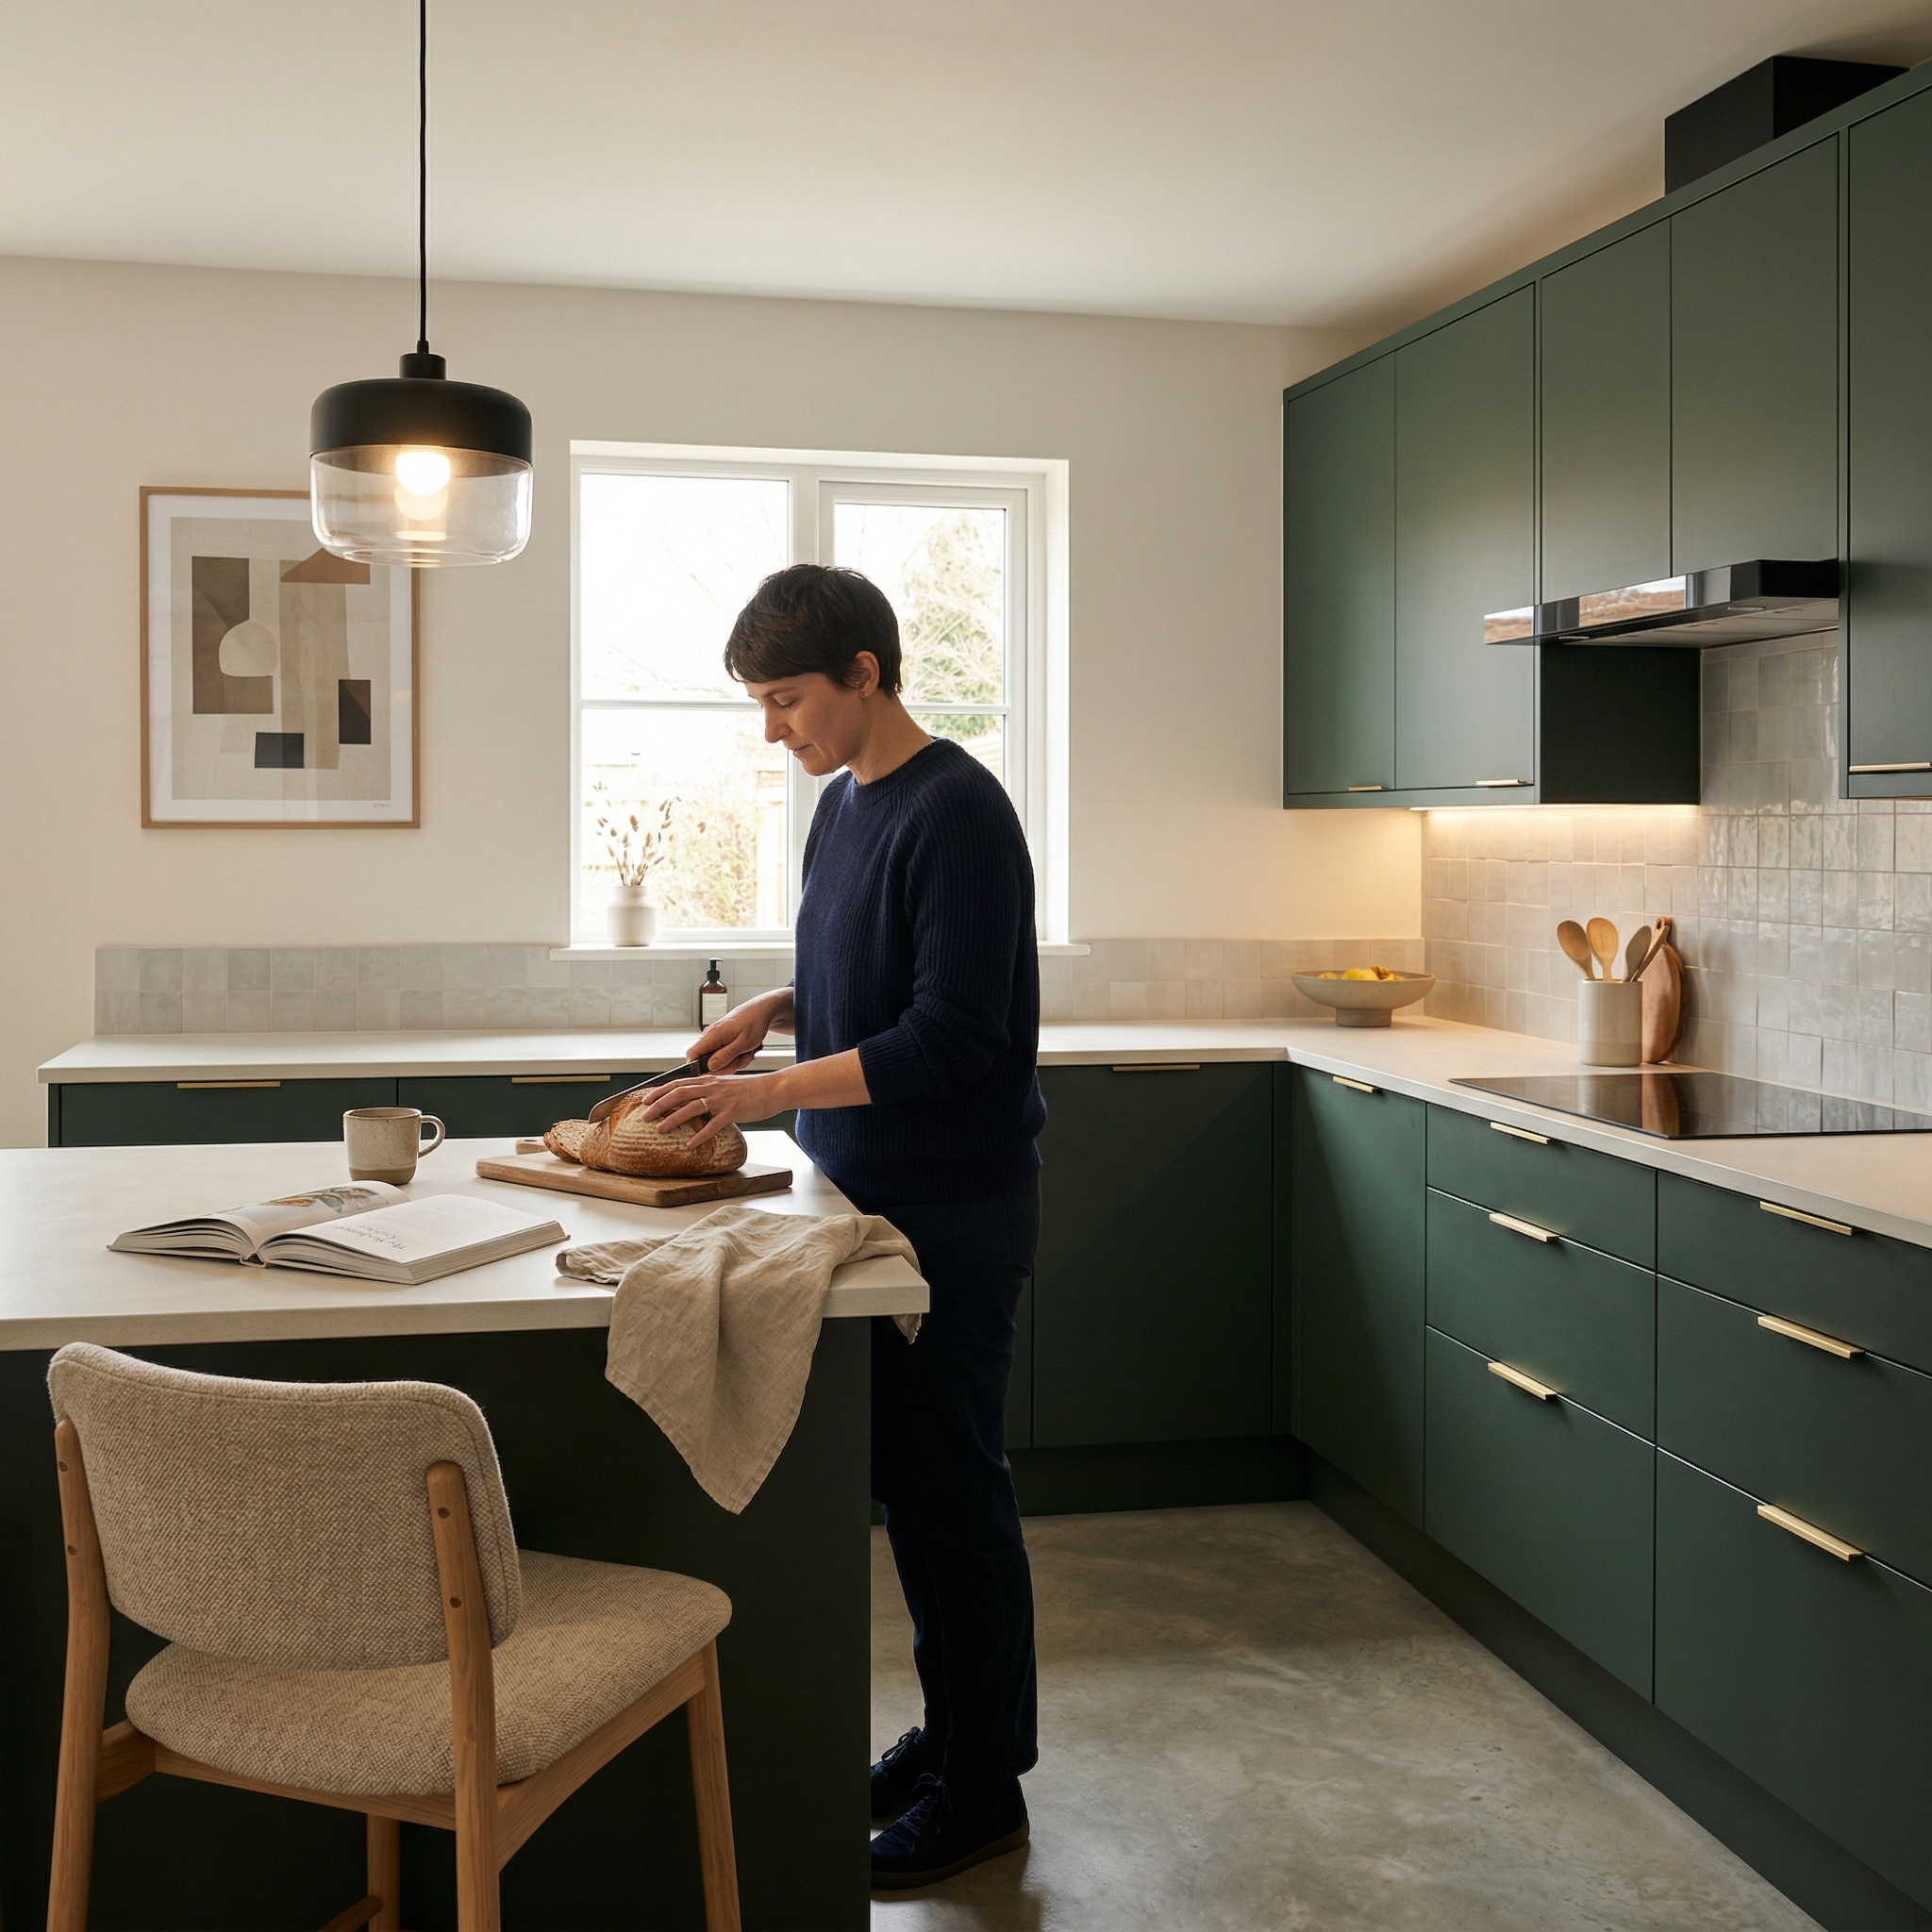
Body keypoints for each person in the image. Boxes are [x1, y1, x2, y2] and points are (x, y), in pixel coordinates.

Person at [639, 561, 1046, 1890]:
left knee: (952, 1497)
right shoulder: (843, 808)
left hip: (950, 1209)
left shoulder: (961, 812)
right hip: (863, 1199)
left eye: (788, 700)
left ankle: (985, 1789)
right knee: (915, 1500)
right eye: (762, 704)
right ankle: (954, 1736)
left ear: (866, 674)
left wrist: (758, 1095)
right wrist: (777, 1004)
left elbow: (951, 1036)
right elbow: (875, 993)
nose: (775, 730)